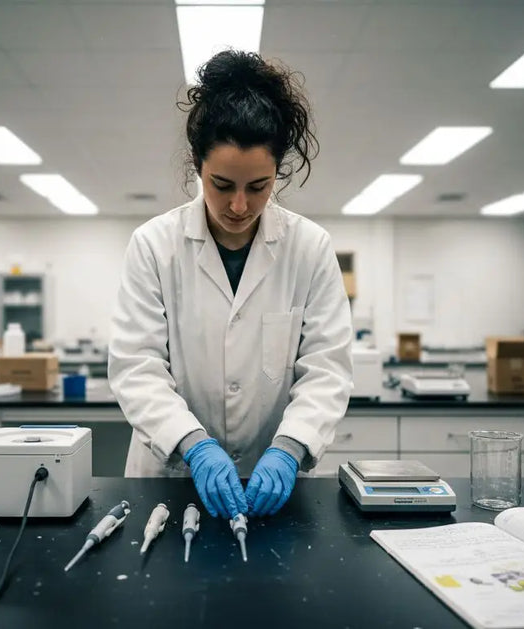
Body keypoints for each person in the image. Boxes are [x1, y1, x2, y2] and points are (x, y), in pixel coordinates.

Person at [108, 50, 353, 520]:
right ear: (198, 166)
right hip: (171, 483)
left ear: (277, 173)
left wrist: (289, 447)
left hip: (275, 489)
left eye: (258, 186)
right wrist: (193, 444)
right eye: (222, 185)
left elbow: (327, 367)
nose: (239, 205)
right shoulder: (154, 245)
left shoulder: (309, 247)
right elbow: (136, 365)